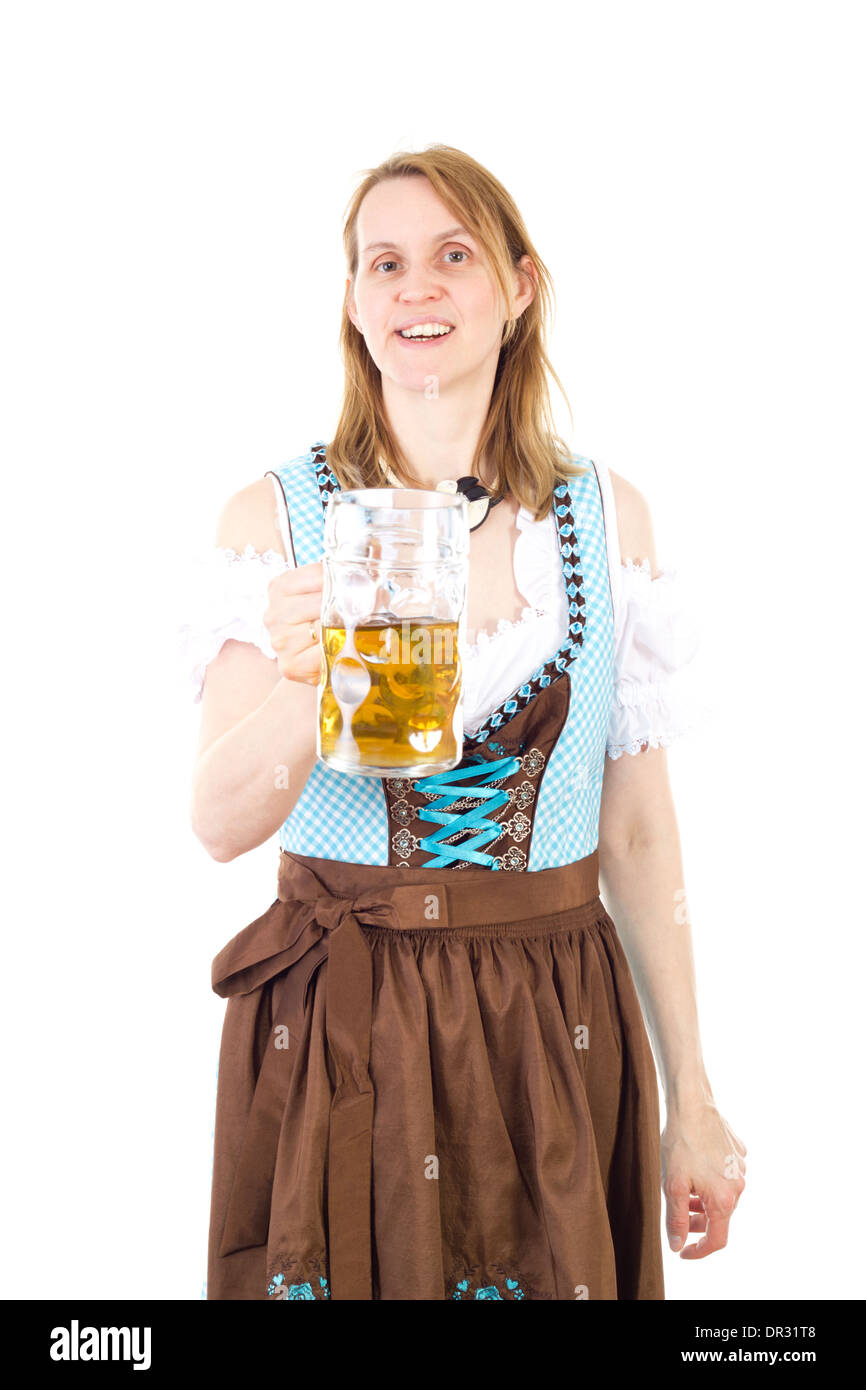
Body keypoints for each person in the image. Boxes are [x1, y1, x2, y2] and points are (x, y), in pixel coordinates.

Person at [180, 144, 746, 1301]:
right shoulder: (274, 520)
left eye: (453, 256)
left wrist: (693, 1094)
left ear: (519, 286)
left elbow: (637, 835)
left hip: (552, 1017)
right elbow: (217, 823)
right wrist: (306, 677)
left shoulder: (606, 519)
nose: (415, 288)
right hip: (342, 1016)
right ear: (352, 302)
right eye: (383, 263)